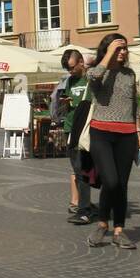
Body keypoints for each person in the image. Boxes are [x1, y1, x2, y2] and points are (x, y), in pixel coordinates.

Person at [85, 34, 140, 249]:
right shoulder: (98, 71)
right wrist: (109, 53)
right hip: (101, 133)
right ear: (107, 49)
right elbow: (92, 76)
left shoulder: (130, 74)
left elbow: (134, 105)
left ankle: (118, 230)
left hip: (127, 135)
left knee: (121, 185)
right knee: (110, 181)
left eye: (124, 48)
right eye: (118, 48)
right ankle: (102, 222)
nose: (123, 51)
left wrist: (138, 134)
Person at [51, 49, 96, 225]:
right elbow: (67, 102)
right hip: (71, 129)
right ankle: (86, 206)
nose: (70, 72)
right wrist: (64, 102)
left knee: (84, 169)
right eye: (67, 69)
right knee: (79, 169)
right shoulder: (69, 81)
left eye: (71, 68)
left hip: (87, 130)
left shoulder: (91, 79)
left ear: (80, 62)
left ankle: (85, 209)